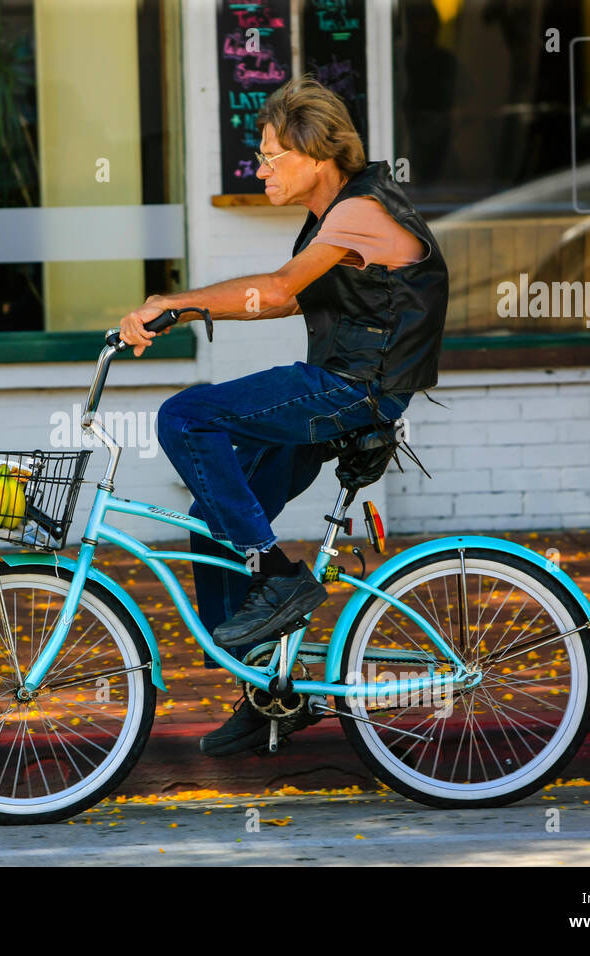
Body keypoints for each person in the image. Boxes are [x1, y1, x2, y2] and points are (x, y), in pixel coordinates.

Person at [118, 75, 449, 757]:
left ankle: (278, 577)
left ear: (317, 153)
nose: (260, 168)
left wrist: (172, 304)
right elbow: (291, 298)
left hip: (353, 389)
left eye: (271, 156)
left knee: (185, 417)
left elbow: (273, 293)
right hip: (341, 386)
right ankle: (270, 693)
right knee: (216, 520)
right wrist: (186, 306)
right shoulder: (333, 220)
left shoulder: (361, 211)